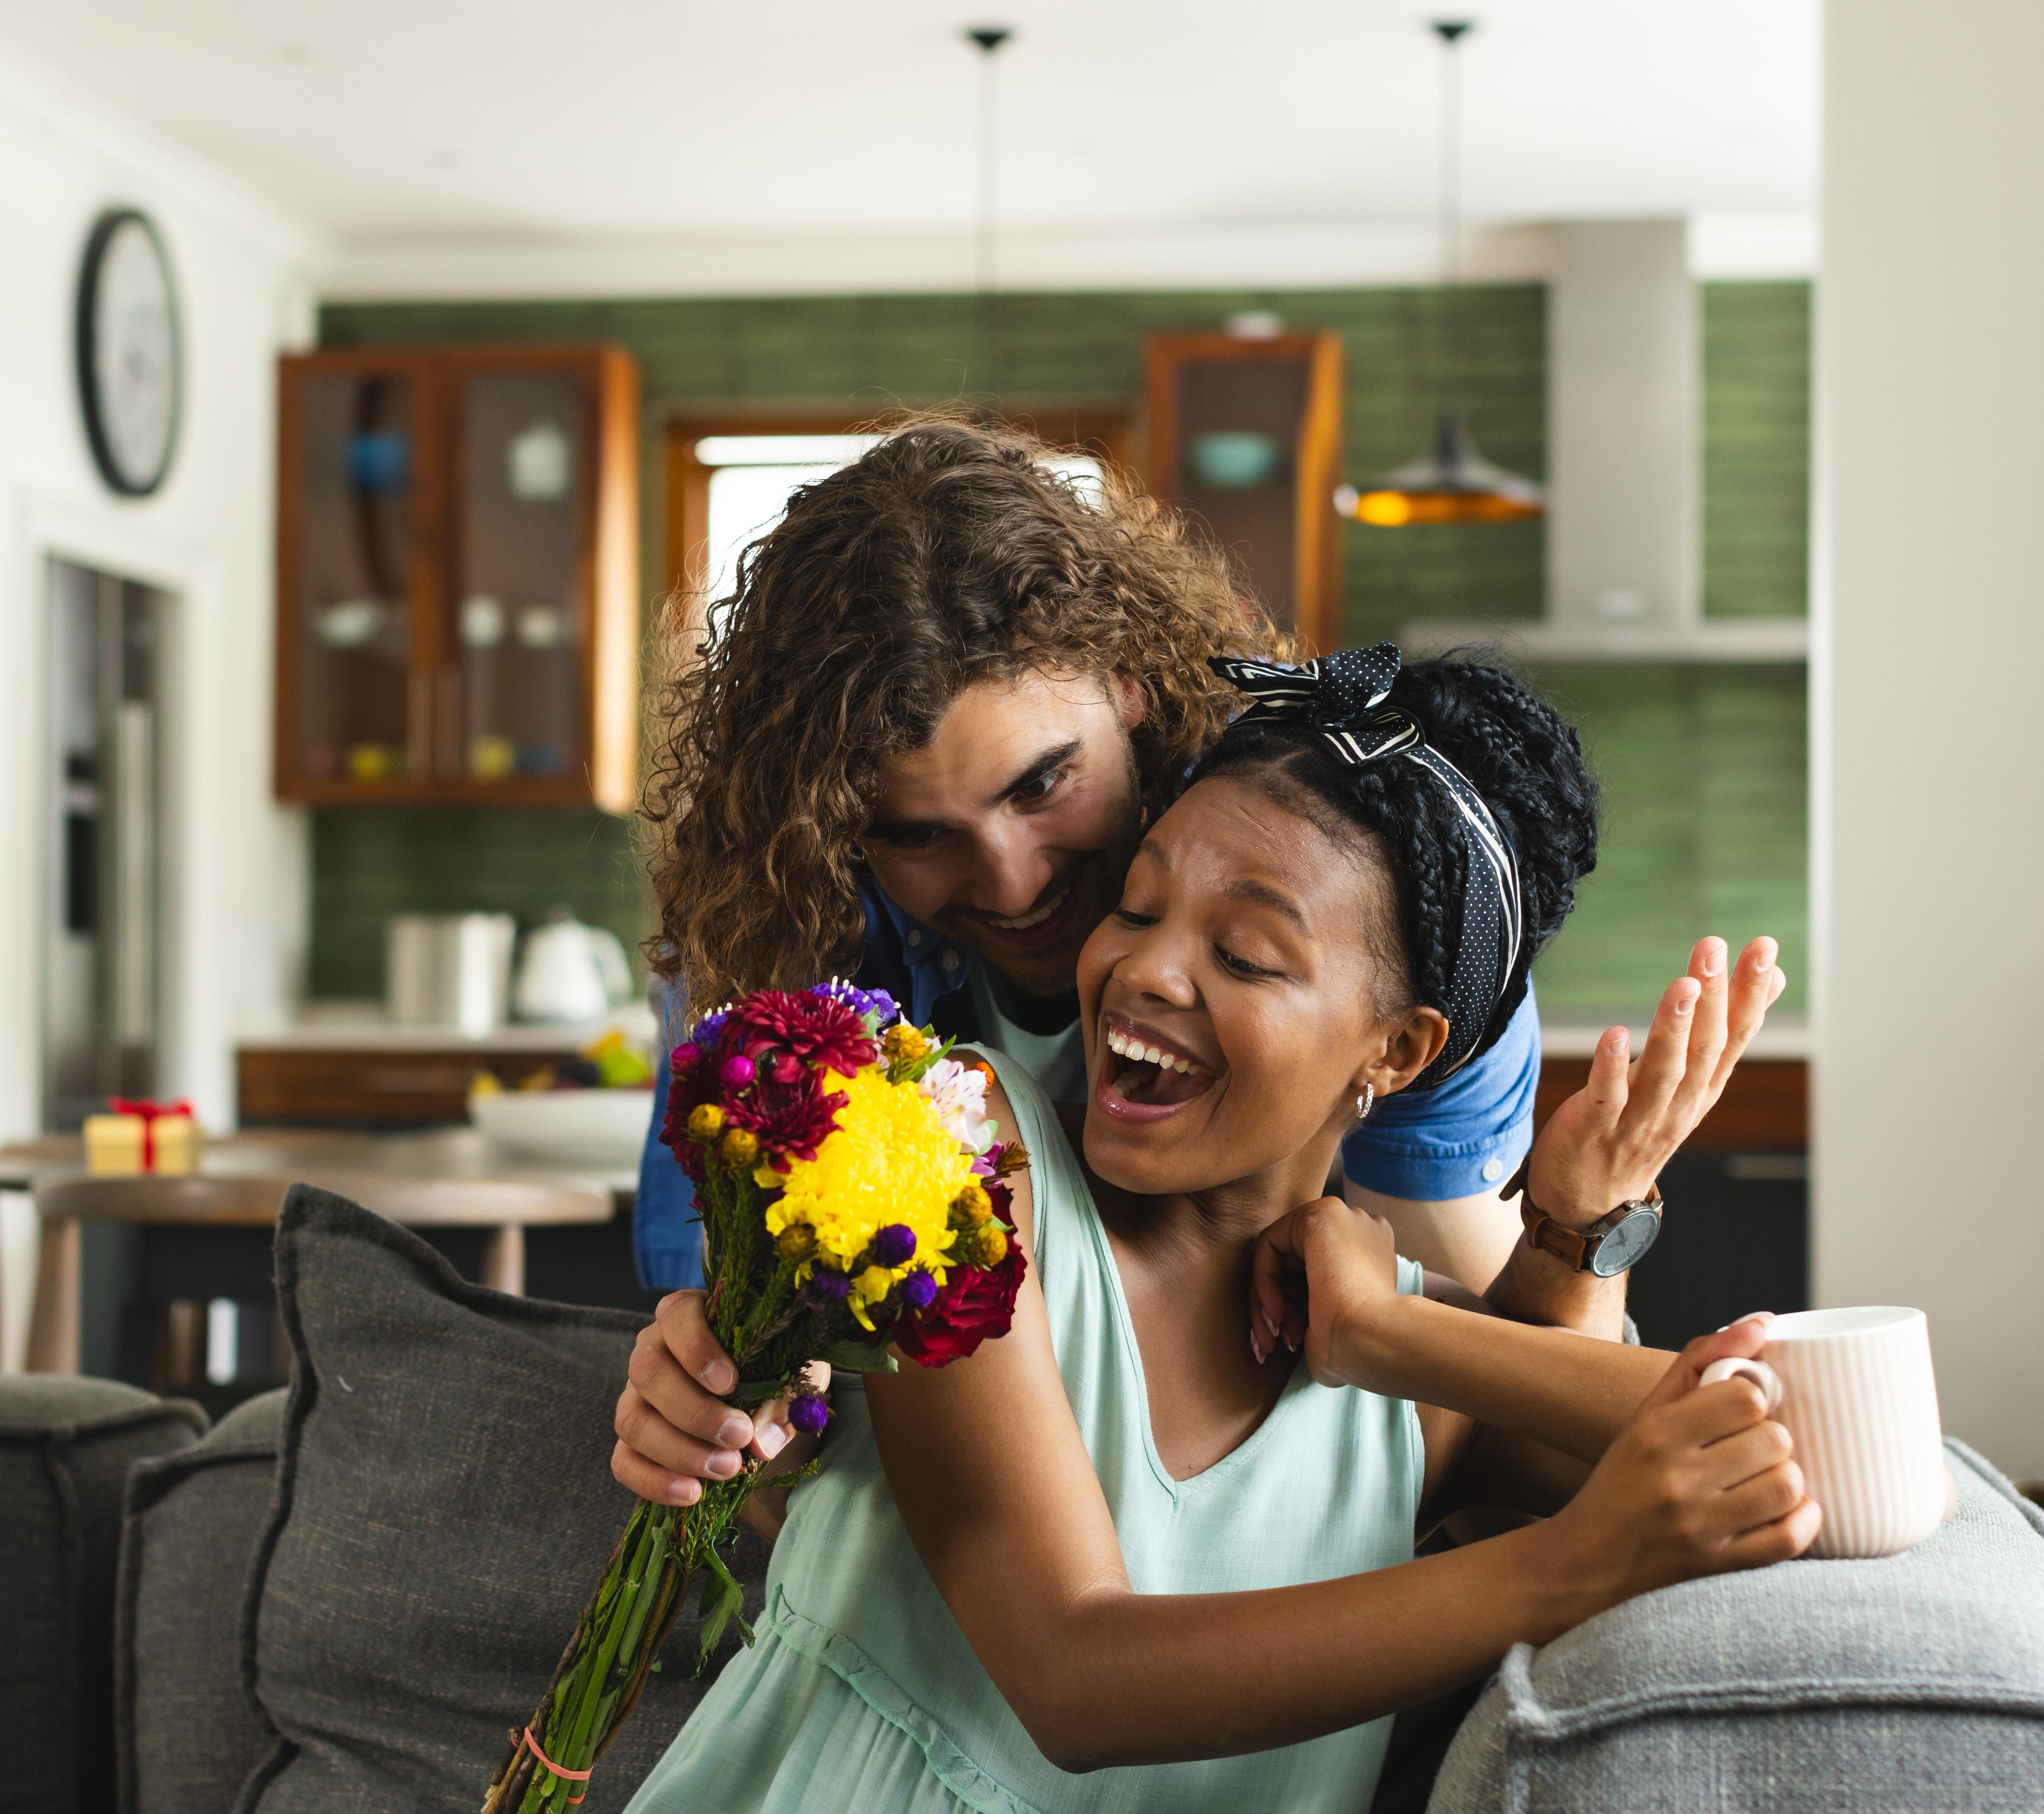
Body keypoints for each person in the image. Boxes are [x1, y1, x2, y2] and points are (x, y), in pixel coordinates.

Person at [416, 647, 1803, 1814]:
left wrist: (1473, 1286)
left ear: (1395, 1052)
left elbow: (1798, 1448)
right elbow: (1073, 1675)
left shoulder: (1396, 1377)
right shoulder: (959, 1162)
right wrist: (1568, 1567)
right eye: (1137, 906)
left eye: (1243, 953)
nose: (1144, 967)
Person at [629, 419, 1551, 1313]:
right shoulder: (783, 922)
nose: (1012, 884)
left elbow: (1479, 1366)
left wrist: (1569, 1243)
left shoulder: (1357, 886)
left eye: (1042, 783)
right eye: (917, 835)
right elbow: (753, 1333)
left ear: (1128, 678)